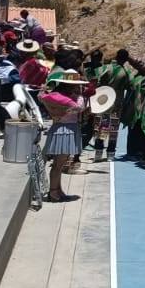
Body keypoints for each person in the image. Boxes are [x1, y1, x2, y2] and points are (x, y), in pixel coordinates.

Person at [40, 70, 86, 202]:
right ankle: (53, 192)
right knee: (58, 164)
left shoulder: (56, 96)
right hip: (65, 131)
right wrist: (80, 95)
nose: (78, 86)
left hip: (61, 129)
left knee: (59, 164)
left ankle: (58, 190)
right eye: (76, 84)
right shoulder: (69, 99)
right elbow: (79, 107)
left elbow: (41, 96)